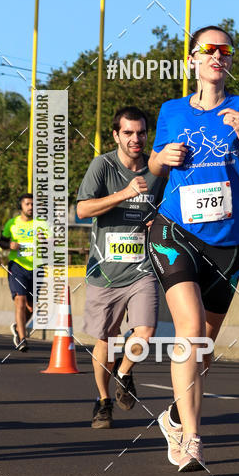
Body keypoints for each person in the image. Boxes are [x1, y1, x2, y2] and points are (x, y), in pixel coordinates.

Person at [148, 25, 239, 472]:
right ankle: (192, 439)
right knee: (188, 328)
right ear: (192, 60)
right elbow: (154, 162)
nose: (216, 56)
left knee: (201, 349)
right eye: (207, 49)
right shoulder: (171, 110)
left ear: (230, 60)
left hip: (226, 243)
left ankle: (172, 417)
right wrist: (161, 159)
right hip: (174, 231)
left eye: (224, 50)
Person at [76, 106, 166, 429]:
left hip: (142, 268)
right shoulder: (103, 166)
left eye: (141, 132)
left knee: (147, 330)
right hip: (105, 270)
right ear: (116, 135)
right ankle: (102, 401)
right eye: (128, 133)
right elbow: (83, 209)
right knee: (106, 340)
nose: (135, 139)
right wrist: (124, 193)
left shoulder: (158, 170)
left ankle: (125, 372)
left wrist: (160, 220)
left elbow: (169, 206)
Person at [0, 194, 34, 352]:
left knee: (32, 307)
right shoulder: (12, 223)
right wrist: (9, 245)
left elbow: (53, 242)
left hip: (36, 268)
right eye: (27, 204)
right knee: (20, 300)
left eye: (33, 204)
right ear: (21, 206)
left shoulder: (41, 224)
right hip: (17, 266)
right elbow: (1, 241)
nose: (30, 207)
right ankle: (22, 338)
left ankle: (17, 326)